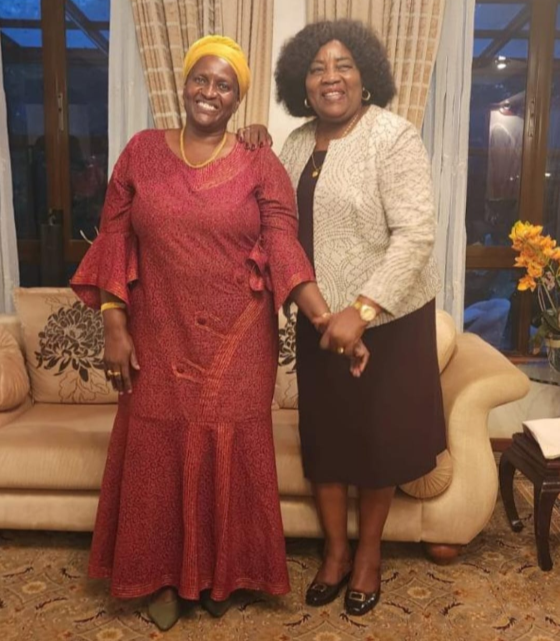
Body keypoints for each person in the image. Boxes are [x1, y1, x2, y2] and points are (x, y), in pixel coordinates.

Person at [70, 35, 368, 632]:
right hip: (159, 334)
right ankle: (158, 577)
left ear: (238, 99)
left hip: (237, 341)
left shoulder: (261, 160)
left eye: (224, 84)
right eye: (200, 80)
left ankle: (220, 575)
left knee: (229, 453)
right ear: (182, 85)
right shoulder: (141, 152)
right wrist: (113, 322)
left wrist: (322, 315)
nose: (210, 92)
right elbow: (113, 239)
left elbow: (284, 244)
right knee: (156, 456)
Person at [242, 20, 447, 617]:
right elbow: (269, 217)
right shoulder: (296, 143)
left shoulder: (394, 136)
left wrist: (363, 309)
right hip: (317, 320)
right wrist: (249, 139)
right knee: (327, 442)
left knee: (375, 444)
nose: (330, 77)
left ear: (366, 78)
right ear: (300, 84)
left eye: (344, 66)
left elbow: (416, 234)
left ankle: (368, 556)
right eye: (317, 68)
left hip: (386, 321)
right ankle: (334, 553)